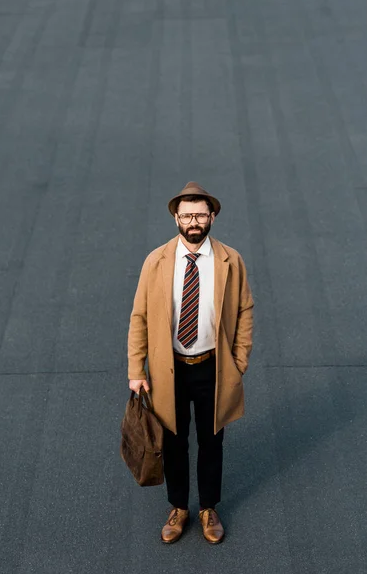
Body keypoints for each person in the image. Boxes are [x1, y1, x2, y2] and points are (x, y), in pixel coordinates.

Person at [127, 181, 254, 544]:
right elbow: (139, 317)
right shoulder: (156, 261)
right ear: (176, 219)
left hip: (214, 367)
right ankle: (179, 508)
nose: (193, 221)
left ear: (212, 216)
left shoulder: (231, 260)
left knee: (212, 441)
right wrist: (137, 370)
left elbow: (245, 310)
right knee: (173, 440)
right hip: (170, 369)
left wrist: (239, 361)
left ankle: (208, 508)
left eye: (200, 214)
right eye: (186, 216)